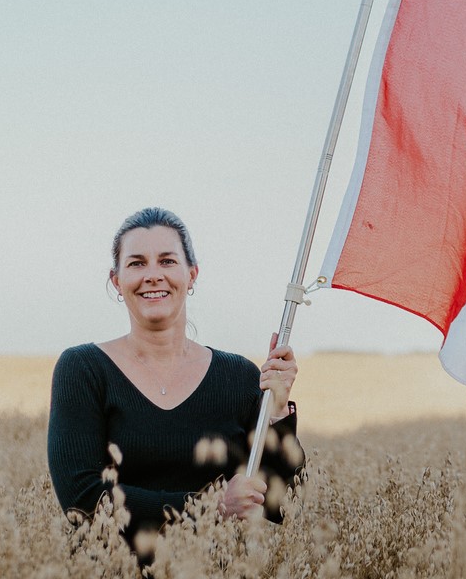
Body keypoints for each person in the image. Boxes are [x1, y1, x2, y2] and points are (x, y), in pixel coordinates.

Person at [47, 207, 304, 543]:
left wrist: (278, 413)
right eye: (137, 263)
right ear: (117, 281)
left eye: (167, 261)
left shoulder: (240, 377)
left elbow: (286, 504)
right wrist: (210, 507)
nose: (153, 274)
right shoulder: (82, 369)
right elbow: (82, 501)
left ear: (192, 274)